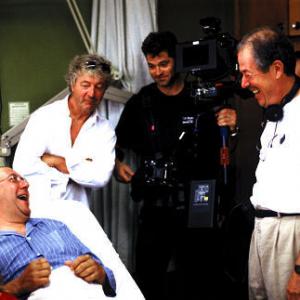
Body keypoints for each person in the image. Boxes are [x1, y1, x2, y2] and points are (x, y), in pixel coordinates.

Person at [114, 31, 237, 300]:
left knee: (198, 279)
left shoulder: (202, 97)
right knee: (148, 279)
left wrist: (231, 127)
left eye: (164, 64)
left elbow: (224, 151)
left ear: (177, 61)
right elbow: (116, 142)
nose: (158, 72)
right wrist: (116, 164)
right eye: (152, 66)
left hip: (197, 203)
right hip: (156, 207)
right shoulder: (141, 102)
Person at [236, 26, 300, 300]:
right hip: (262, 233)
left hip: (290, 237)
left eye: (247, 74)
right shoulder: (275, 111)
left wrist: (299, 269)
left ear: (276, 68)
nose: (243, 84)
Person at [13, 54, 116, 208]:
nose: (92, 93)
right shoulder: (44, 117)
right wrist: (79, 169)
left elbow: (101, 177)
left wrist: (56, 162)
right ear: (72, 84)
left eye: (99, 87)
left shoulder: (105, 130)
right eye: (85, 85)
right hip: (38, 211)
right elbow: (22, 166)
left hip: (78, 214)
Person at [0, 167, 116, 299]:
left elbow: (107, 276)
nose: (26, 184)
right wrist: (16, 286)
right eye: (13, 179)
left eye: (23, 179)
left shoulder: (55, 225)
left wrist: (100, 274)